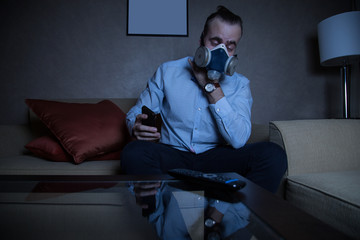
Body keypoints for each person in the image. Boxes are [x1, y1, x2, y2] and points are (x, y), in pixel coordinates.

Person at [121, 6, 287, 194]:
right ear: (201, 41)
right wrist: (135, 125)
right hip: (173, 154)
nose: (221, 51)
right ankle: (154, 216)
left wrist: (211, 87)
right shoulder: (168, 71)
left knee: (273, 155)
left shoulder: (240, 84)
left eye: (229, 46)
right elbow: (136, 112)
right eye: (215, 41)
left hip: (216, 158)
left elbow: (239, 140)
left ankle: (242, 218)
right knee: (134, 152)